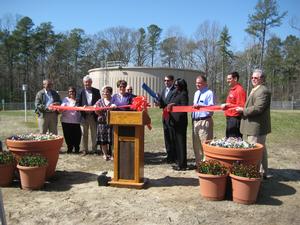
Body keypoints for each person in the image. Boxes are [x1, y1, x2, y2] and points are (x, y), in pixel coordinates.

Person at [236, 69, 271, 179]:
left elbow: (258, 108)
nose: (253, 79)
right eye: (252, 77)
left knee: (254, 152)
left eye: (256, 78)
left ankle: (254, 175)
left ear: (262, 79)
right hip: (253, 127)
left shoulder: (263, 91)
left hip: (257, 128)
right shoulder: (255, 90)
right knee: (260, 150)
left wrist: (243, 110)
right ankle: (262, 173)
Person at [192, 75, 216, 166]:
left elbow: (211, 108)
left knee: (205, 145)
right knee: (196, 145)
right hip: (195, 122)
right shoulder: (196, 93)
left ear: (205, 83)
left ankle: (207, 165)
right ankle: (199, 165)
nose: (197, 84)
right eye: (196, 83)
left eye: (200, 83)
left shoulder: (209, 93)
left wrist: (201, 107)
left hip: (205, 121)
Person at [167, 78, 189, 171]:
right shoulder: (175, 93)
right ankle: (178, 162)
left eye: (177, 85)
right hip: (174, 122)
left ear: (181, 86)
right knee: (176, 143)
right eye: (175, 85)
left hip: (180, 122)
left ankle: (182, 164)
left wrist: (174, 105)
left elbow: (184, 108)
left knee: (181, 143)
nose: (175, 87)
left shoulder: (183, 94)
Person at [76, 75, 101, 155]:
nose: (87, 83)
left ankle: (94, 149)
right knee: (84, 134)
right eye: (86, 82)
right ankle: (84, 150)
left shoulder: (96, 91)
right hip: (84, 116)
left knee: (94, 133)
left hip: (93, 116)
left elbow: (99, 103)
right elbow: (77, 103)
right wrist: (81, 108)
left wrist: (96, 107)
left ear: (91, 82)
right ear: (83, 83)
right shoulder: (80, 92)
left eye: (89, 82)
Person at [157, 75, 176, 163]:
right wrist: (157, 102)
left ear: (172, 81)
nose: (166, 82)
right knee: (167, 137)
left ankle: (174, 157)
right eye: (165, 80)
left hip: (173, 117)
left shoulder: (175, 90)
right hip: (165, 117)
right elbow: (162, 103)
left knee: (173, 137)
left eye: (168, 80)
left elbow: (176, 102)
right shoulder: (164, 90)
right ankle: (169, 156)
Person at [221, 72, 246, 138]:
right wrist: (226, 106)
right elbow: (232, 104)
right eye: (227, 79)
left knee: (234, 140)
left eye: (229, 79)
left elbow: (240, 106)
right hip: (230, 118)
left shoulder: (239, 90)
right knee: (229, 139)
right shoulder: (232, 90)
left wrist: (228, 105)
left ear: (235, 79)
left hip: (235, 119)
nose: (227, 80)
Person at [60, 87, 82, 154]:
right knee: (68, 136)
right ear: (68, 92)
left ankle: (76, 148)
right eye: (70, 91)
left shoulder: (78, 100)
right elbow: (62, 107)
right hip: (66, 121)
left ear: (75, 92)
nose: (71, 93)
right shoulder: (65, 99)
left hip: (76, 121)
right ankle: (69, 148)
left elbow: (81, 108)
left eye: (72, 91)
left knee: (77, 135)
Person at [95, 86, 113, 160]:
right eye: (104, 92)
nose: (105, 93)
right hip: (101, 123)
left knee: (112, 140)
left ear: (111, 93)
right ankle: (105, 154)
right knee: (103, 140)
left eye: (107, 92)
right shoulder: (99, 101)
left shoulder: (114, 100)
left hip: (112, 123)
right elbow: (95, 110)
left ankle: (112, 154)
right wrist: (97, 110)